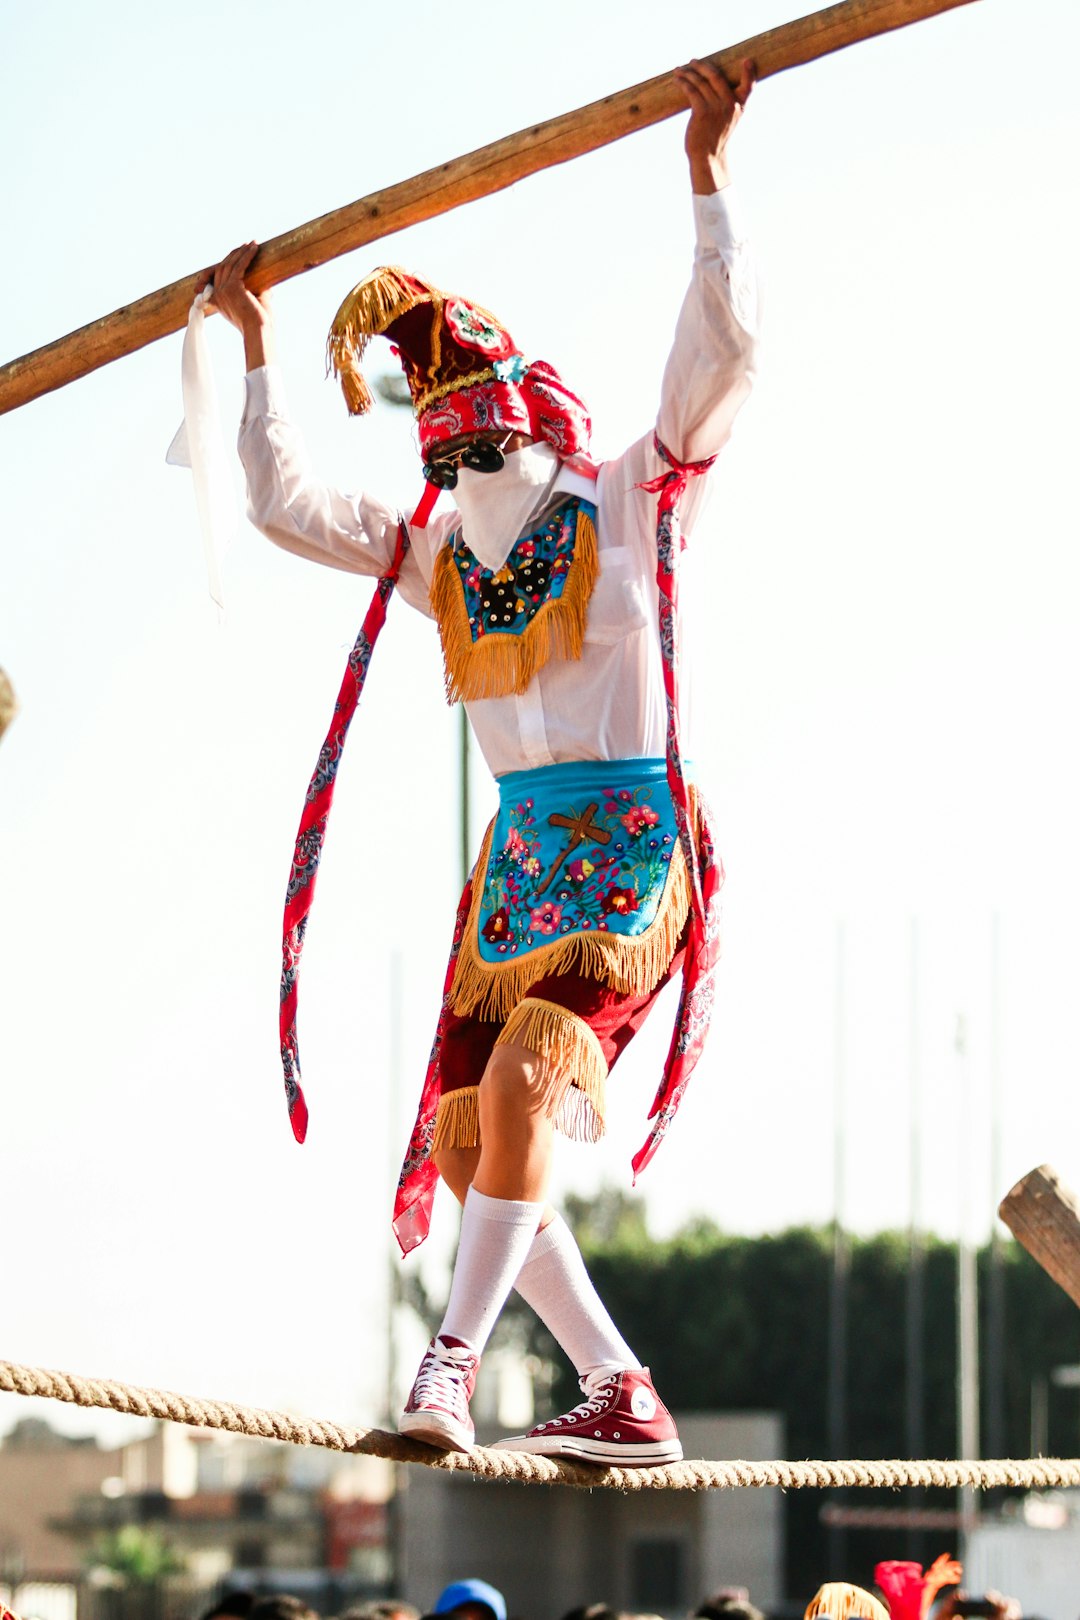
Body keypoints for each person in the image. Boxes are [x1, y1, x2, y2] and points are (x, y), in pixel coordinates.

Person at [203, 53, 758, 1467]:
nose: (457, 454)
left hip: (630, 848)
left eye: (469, 421)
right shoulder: (442, 553)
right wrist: (254, 345)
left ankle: (448, 1363)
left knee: (521, 1090)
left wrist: (708, 186)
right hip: (518, 864)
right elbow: (280, 498)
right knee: (467, 1137)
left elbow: (724, 362)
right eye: (439, 437)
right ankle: (620, 1389)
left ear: (521, 409)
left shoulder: (631, 497)